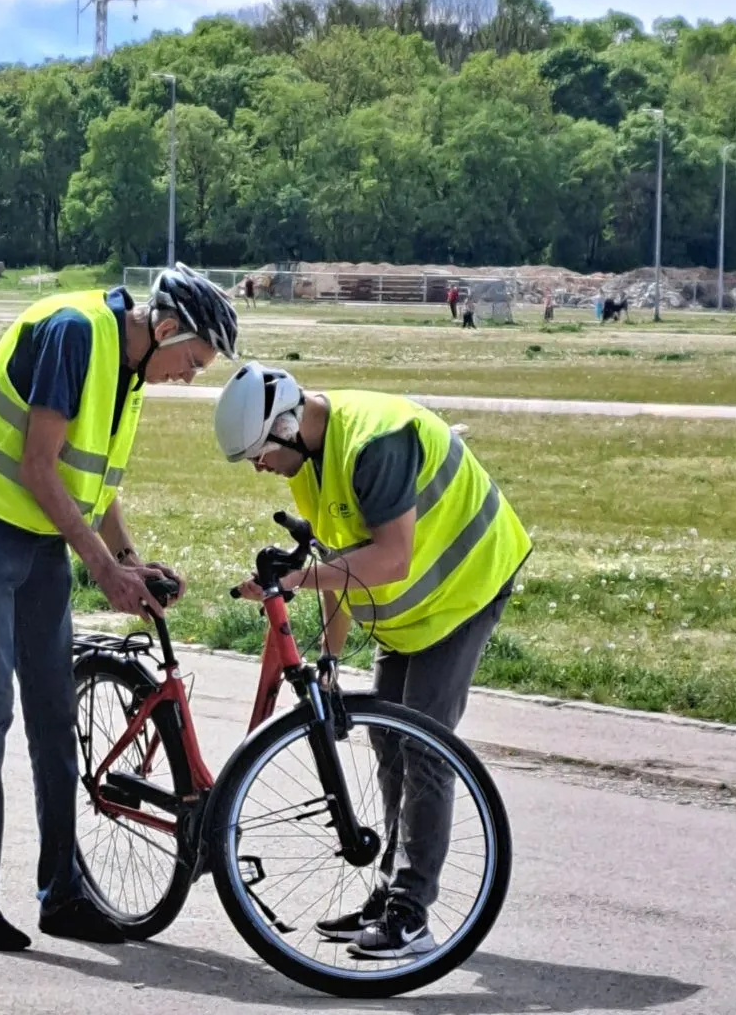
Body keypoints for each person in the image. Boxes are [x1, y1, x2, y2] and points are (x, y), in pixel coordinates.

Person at [0, 264, 238, 953]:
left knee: (53, 714)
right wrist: (99, 567)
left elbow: (89, 477)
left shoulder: (130, 367)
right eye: (190, 362)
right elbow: (40, 465)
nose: (188, 377)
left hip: (40, 535)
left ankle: (61, 894)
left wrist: (129, 560)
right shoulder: (77, 334)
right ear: (164, 328)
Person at [214, 363, 531, 960]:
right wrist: (330, 661)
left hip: (466, 588)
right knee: (387, 742)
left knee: (425, 749)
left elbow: (390, 558)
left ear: (285, 426)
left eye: (258, 454)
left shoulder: (373, 445)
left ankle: (411, 916)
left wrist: (298, 578)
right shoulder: (309, 461)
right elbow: (338, 561)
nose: (258, 468)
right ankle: (390, 893)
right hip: (412, 610)